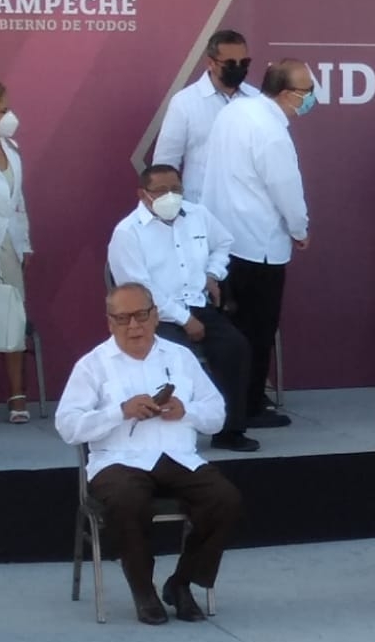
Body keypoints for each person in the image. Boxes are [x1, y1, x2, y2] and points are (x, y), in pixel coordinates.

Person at [55, 284, 243, 625]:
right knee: (127, 500)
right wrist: (119, 411)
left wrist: (185, 411)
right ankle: (144, 591)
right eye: (123, 318)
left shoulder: (180, 357)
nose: (134, 326)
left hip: (178, 457)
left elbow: (217, 414)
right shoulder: (93, 365)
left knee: (225, 499)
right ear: (109, 322)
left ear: (155, 316)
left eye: (141, 315)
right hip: (119, 460)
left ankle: (182, 583)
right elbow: (67, 426)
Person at [108, 165, 255, 452]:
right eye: (161, 190)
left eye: (175, 189)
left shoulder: (197, 215)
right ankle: (173, 434)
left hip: (199, 304)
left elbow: (224, 242)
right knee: (174, 360)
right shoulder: (127, 233)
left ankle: (229, 429)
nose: (170, 196)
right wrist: (184, 319)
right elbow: (140, 290)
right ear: (143, 195)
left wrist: (213, 274)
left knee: (235, 348)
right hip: (154, 316)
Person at [202, 59, 314, 429]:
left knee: (232, 330)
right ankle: (249, 405)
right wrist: (300, 229)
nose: (311, 98)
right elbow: (285, 187)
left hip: (223, 239)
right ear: (285, 93)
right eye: (306, 91)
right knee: (258, 330)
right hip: (259, 244)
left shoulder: (235, 112)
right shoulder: (272, 131)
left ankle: (230, 402)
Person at [151, 30, 259, 206]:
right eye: (231, 64)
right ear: (211, 63)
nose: (239, 68)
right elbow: (166, 163)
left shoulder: (258, 100)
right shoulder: (184, 102)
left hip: (248, 213)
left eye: (244, 62)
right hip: (201, 210)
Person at [0, 82, 30, 424]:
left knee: (13, 317)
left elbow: (18, 202)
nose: (8, 117)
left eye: (7, 109)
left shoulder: (12, 149)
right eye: (0, 112)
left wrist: (26, 242)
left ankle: (17, 395)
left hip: (10, 244)